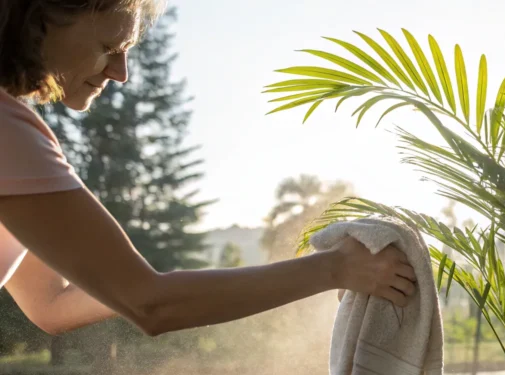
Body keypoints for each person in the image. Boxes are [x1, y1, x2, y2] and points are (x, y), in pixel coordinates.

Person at [0, 0, 416, 337]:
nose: (121, 73)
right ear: (40, 16)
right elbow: (150, 304)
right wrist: (337, 267)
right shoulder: (8, 129)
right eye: (109, 47)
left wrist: (180, 285)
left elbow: (51, 304)